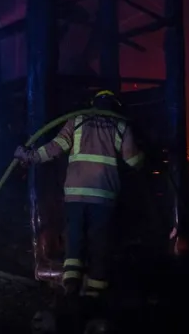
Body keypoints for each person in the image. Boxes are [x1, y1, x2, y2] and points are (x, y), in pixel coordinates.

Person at [14, 90, 144, 301]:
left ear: (92, 104)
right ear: (115, 106)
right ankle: (95, 293)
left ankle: (71, 286)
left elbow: (54, 148)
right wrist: (147, 159)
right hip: (103, 196)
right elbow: (133, 161)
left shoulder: (76, 121)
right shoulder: (120, 126)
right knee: (99, 242)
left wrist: (30, 156)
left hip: (75, 196)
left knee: (74, 239)